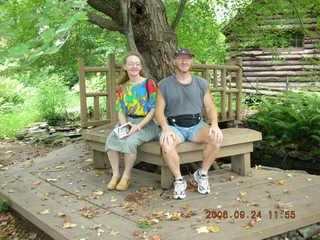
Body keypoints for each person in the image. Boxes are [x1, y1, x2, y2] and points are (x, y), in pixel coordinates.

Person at [155, 48, 223, 199]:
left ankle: (202, 174)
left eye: (187, 58)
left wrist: (215, 124)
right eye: (180, 58)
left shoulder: (201, 83)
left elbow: (210, 107)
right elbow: (158, 111)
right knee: (166, 144)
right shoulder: (164, 84)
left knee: (216, 138)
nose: (184, 61)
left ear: (192, 61)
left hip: (196, 126)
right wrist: (165, 128)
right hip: (174, 126)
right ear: (174, 61)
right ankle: (179, 180)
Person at [105, 52, 159, 191]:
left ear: (141, 66)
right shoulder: (122, 87)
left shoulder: (149, 83)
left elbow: (153, 109)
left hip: (146, 124)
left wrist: (138, 126)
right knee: (111, 141)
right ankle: (116, 175)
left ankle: (126, 176)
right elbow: (120, 110)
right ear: (125, 67)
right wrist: (125, 126)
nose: (134, 66)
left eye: (137, 64)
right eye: (131, 64)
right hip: (128, 121)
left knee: (130, 142)